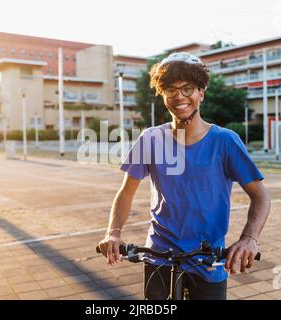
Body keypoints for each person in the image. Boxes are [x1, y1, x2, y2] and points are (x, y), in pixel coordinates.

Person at [97, 52, 271, 300]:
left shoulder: (225, 141)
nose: (179, 96)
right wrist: (113, 232)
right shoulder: (151, 139)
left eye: (187, 88)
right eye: (170, 89)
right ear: (162, 95)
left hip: (209, 258)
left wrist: (249, 239)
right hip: (159, 254)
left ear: (202, 92)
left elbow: (260, 196)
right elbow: (126, 192)